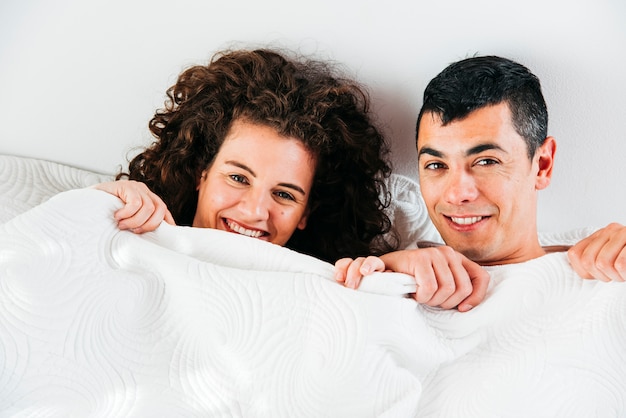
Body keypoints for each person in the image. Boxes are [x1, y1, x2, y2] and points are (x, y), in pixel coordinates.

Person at [335, 55, 626, 310]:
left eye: (486, 161)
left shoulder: (604, 273)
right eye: (436, 165)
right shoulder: (393, 270)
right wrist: (384, 275)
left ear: (542, 164)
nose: (458, 194)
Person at [94, 48, 407, 264]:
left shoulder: (326, 287)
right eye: (238, 177)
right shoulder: (132, 235)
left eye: (284, 194)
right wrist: (99, 204)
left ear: (306, 214)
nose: (256, 211)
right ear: (200, 172)